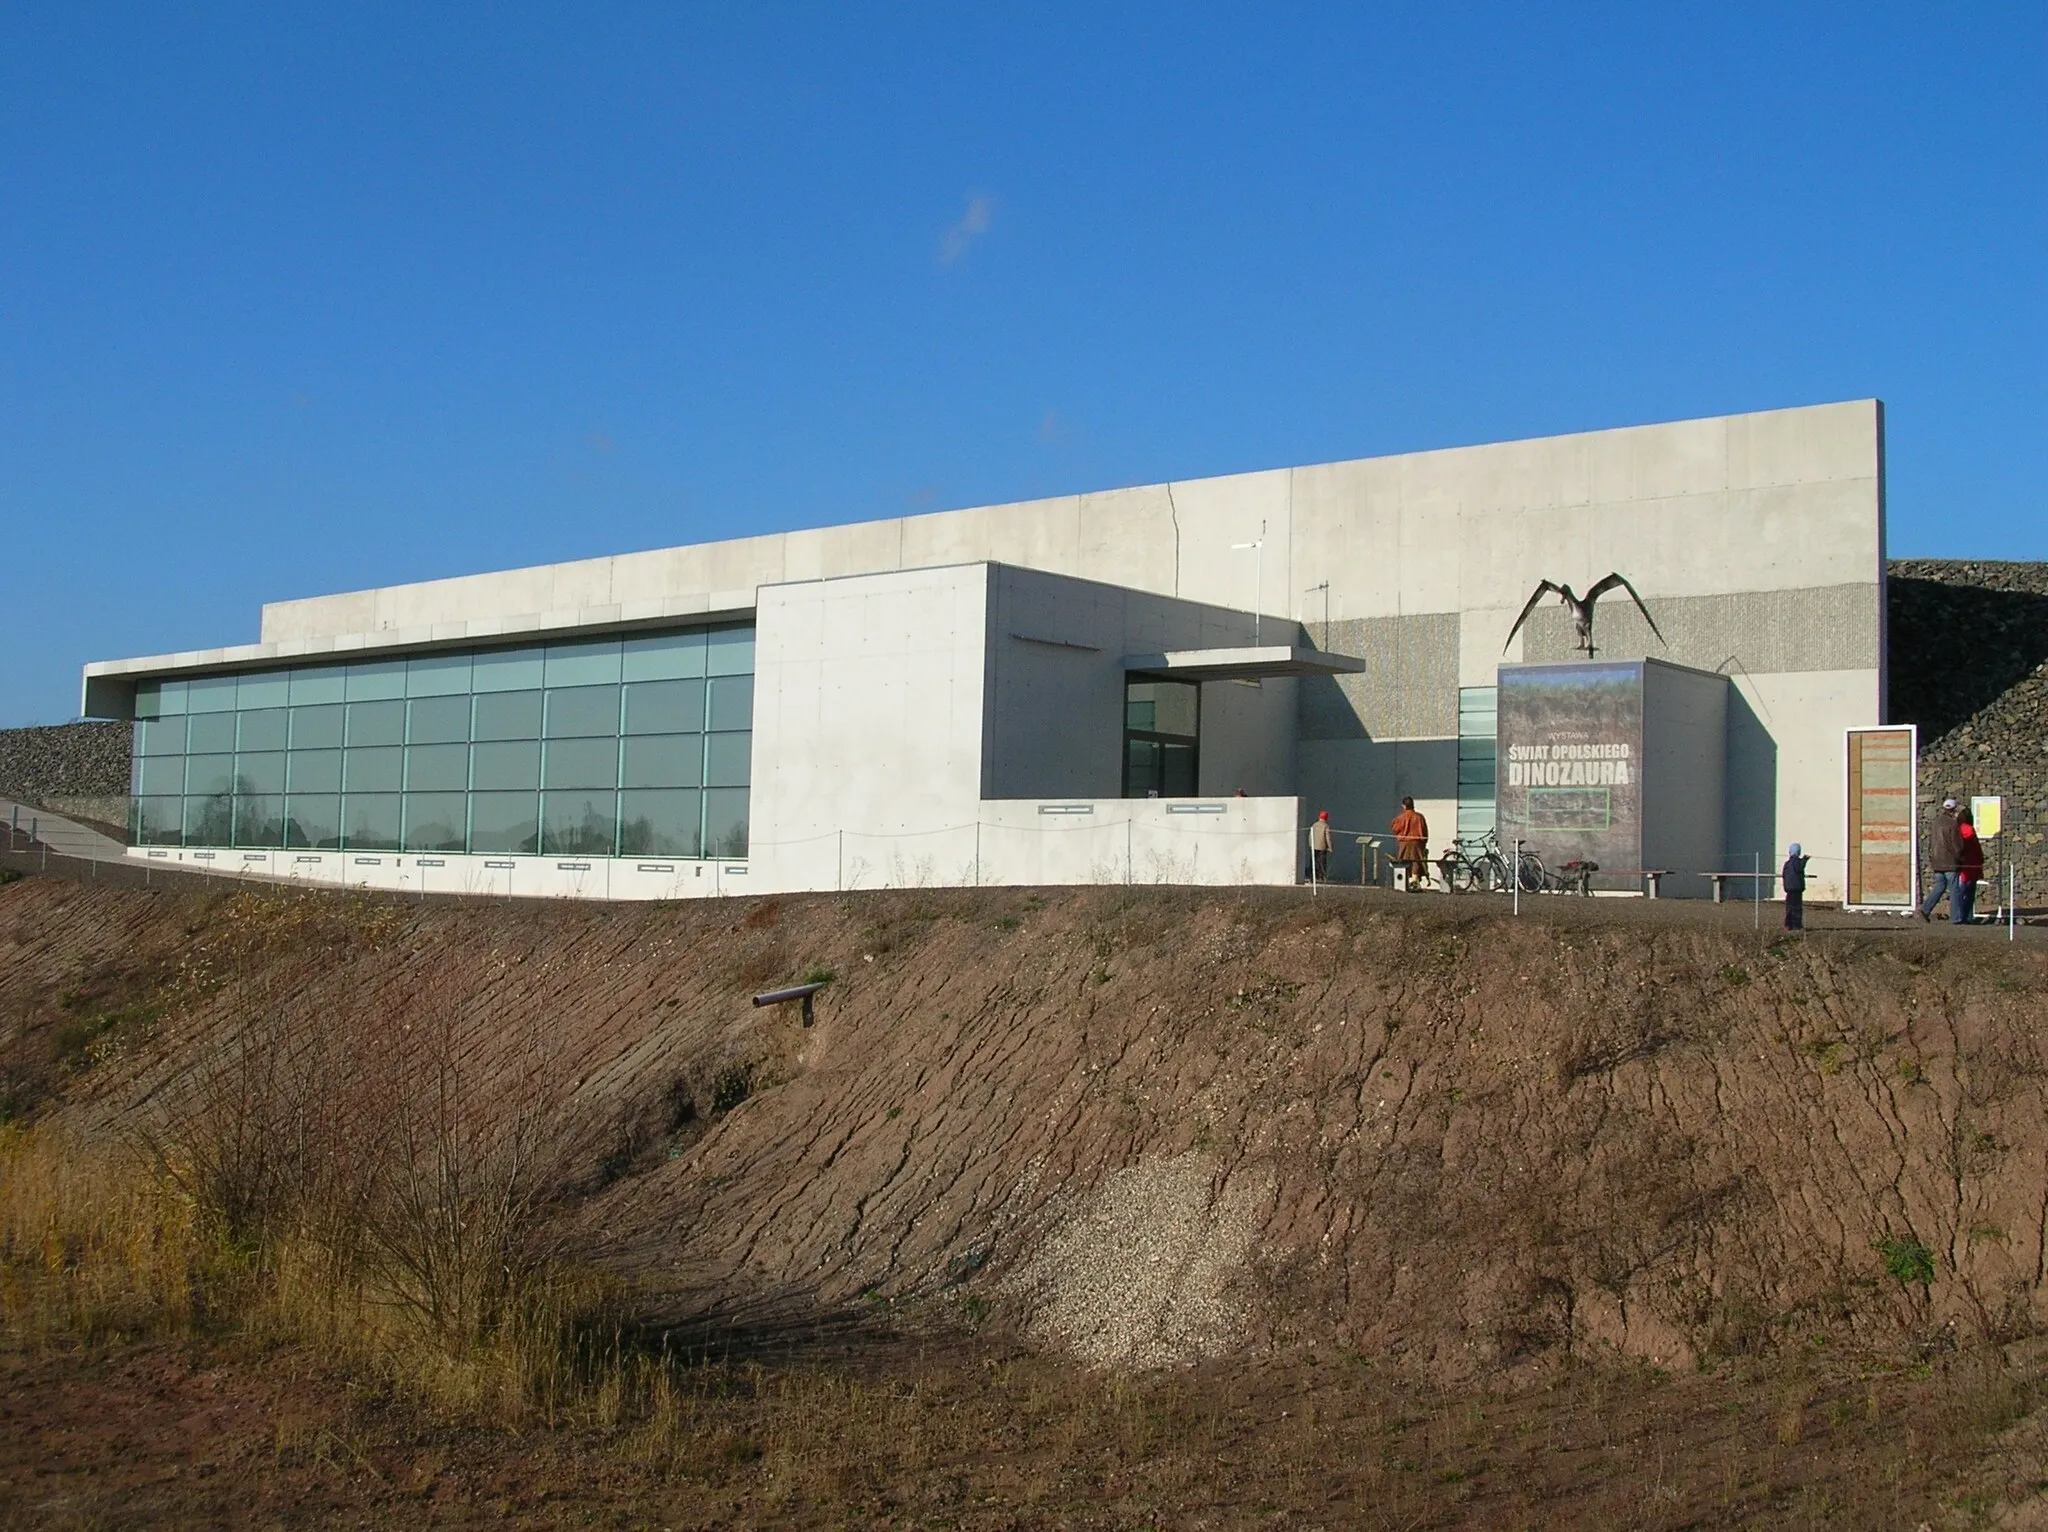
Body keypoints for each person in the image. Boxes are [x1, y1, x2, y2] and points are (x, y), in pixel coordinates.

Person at [1918, 798, 1963, 923]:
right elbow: (1956, 845)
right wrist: (1960, 857)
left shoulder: (1935, 823)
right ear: (1954, 809)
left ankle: (1924, 910)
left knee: (1940, 886)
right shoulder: (1953, 824)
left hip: (1937, 861)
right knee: (1954, 889)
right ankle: (1956, 917)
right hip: (1950, 862)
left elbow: (1931, 843)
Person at [1391, 796, 1428, 891]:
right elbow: (1425, 832)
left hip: (1404, 842)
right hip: (1417, 842)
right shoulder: (1419, 817)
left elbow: (1394, 828)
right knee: (1416, 861)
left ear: (1404, 806)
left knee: (1403, 861)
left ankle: (1403, 883)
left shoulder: (1400, 817)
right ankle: (1415, 881)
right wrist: (1424, 843)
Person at [1955, 807, 1984, 926]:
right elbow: (1976, 847)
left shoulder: (1956, 829)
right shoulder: (1970, 830)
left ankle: (1959, 915)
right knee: (1970, 892)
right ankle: (1967, 916)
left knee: (1961, 890)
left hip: (1961, 863)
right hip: (1972, 863)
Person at [1781, 842, 1811, 931]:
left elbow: (1784, 875)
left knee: (1789, 907)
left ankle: (1788, 924)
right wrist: (1805, 859)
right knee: (1797, 907)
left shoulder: (1787, 864)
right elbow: (1800, 867)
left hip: (1789, 888)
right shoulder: (1798, 862)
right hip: (1797, 888)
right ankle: (1797, 925)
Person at [1307, 810, 1332, 882]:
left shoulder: (1314, 825)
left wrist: (1310, 844)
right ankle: (1322, 878)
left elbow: (1310, 836)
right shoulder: (1326, 826)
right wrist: (1330, 847)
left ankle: (1312, 878)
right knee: (1322, 863)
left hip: (1313, 846)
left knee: (1313, 863)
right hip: (1322, 847)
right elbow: (1328, 837)